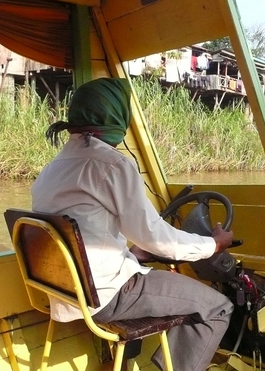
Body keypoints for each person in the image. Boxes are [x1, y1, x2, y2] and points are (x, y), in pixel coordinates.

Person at [32, 77, 234, 371]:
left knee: (143, 267)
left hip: (66, 294)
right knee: (217, 307)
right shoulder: (113, 164)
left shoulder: (52, 168)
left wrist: (131, 255)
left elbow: (84, 231)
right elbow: (158, 238)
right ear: (115, 116)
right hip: (107, 296)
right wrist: (213, 244)